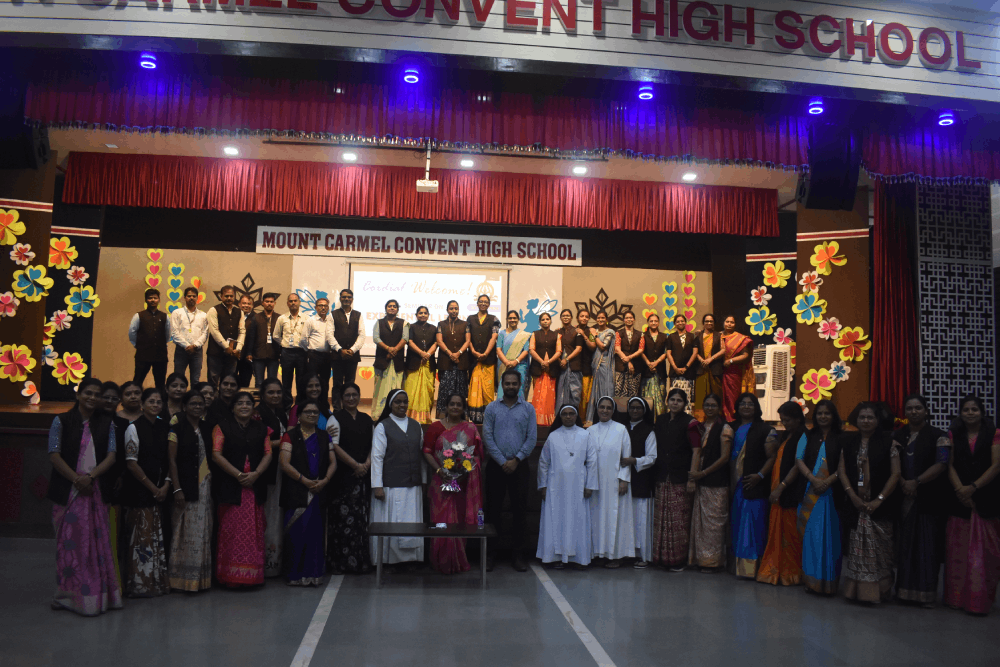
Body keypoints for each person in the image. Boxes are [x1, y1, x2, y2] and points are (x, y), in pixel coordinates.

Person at [47, 378, 123, 616]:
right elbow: (54, 455)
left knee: (97, 545)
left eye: (97, 394)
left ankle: (97, 597)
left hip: (95, 491)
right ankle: (67, 596)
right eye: (88, 393)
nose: (92, 398)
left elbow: (111, 456)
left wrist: (90, 478)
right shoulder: (61, 421)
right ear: (78, 395)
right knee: (71, 545)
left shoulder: (107, 423)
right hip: (68, 492)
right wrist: (77, 480)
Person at [838, 402, 901, 604]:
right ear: (856, 420)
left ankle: (880, 592)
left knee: (881, 553)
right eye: (862, 417)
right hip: (856, 506)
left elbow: (896, 474)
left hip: (881, 508)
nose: (866, 421)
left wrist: (879, 500)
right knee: (856, 552)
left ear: (878, 420)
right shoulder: (848, 442)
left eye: (870, 417)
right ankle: (856, 592)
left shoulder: (889, 443)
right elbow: (842, 472)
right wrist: (853, 497)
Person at [944, 395, 1000, 614]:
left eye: (974, 409)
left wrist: (973, 488)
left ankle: (979, 602)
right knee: (957, 553)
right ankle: (956, 599)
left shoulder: (994, 434)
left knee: (985, 555)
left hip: (986, 498)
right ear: (960, 413)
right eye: (966, 410)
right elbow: (948, 464)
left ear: (982, 412)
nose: (970, 413)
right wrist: (960, 489)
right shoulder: (953, 434)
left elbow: (996, 466)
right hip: (959, 500)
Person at [894, 394, 950, 607]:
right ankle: (903, 592)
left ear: (926, 411)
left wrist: (916, 482)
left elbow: (942, 464)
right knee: (905, 546)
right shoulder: (898, 436)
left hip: (929, 498)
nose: (914, 412)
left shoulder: (939, 436)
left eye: (918, 408)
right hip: (903, 497)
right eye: (910, 408)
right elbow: (892, 463)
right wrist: (902, 482)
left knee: (928, 547)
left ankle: (926, 595)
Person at [211, 391, 273, 587]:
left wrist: (256, 474)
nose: (244, 406)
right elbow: (216, 454)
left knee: (254, 531)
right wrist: (238, 475)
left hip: (254, 488)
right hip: (231, 488)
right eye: (240, 403)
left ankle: (252, 577)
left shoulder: (262, 429)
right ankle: (230, 577)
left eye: (248, 403)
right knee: (231, 532)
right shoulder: (221, 427)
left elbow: (268, 453)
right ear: (233, 408)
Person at [482, 370, 538, 571]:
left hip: (520, 466)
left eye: (514, 383)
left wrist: (516, 460)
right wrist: (501, 460)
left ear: (520, 385)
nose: (511, 387)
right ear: (502, 384)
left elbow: (532, 438)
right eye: (508, 383)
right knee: (493, 511)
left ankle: (518, 555)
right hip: (496, 466)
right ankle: (490, 554)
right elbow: (487, 436)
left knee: (519, 512)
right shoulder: (491, 408)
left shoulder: (528, 409)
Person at [423, 393, 484, 574]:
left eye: (459, 404)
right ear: (446, 406)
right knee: (440, 520)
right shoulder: (435, 427)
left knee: (458, 520)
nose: (455, 407)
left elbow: (476, 454)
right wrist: (440, 471)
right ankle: (439, 560)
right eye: (452, 404)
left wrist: (463, 471)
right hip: (440, 481)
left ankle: (457, 560)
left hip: (462, 483)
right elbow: (426, 451)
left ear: (463, 408)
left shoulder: (470, 428)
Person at [279, 398, 337, 586]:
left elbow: (333, 462)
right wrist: (304, 480)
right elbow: (284, 463)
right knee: (297, 533)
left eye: (315, 412)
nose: (312, 415)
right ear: (298, 415)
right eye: (308, 412)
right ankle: (295, 575)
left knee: (315, 534)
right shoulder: (290, 436)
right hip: (297, 491)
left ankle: (313, 574)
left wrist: (325, 480)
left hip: (319, 491)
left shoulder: (324, 436)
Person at [121, 387, 170, 597]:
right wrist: (152, 487)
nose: (155, 405)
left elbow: (171, 459)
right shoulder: (133, 428)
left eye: (159, 402)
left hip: (162, 490)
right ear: (142, 404)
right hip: (139, 490)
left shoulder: (166, 427)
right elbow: (131, 463)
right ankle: (139, 584)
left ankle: (156, 581)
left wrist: (166, 485)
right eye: (151, 401)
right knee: (140, 539)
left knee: (156, 537)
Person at [537, 405, 598, 569]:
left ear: (576, 416)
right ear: (560, 417)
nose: (568, 416)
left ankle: (579, 558)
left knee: (578, 520)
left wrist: (590, 485)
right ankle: (555, 557)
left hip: (579, 485)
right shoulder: (553, 436)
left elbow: (592, 462)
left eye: (571, 414)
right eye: (565, 414)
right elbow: (543, 462)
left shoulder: (585, 435)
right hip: (555, 486)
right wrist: (543, 486)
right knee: (556, 520)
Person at [370, 389, 425, 566]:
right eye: (398, 402)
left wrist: (423, 481)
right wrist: (377, 486)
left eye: (405, 402)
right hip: (391, 486)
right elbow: (377, 457)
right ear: (390, 404)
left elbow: (421, 456)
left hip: (413, 486)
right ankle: (390, 562)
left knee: (411, 522)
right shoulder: (382, 426)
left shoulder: (416, 425)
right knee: (394, 524)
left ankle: (411, 560)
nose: (402, 405)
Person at [757, 401, 807, 586]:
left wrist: (781, 487)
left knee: (791, 535)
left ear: (797, 419)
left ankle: (790, 574)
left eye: (787, 420)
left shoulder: (803, 436)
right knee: (779, 533)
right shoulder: (788, 434)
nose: (784, 423)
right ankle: (776, 571)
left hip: (790, 492)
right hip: (779, 491)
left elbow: (797, 465)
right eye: (782, 420)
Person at [795, 399, 843, 595]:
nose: (823, 416)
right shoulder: (808, 435)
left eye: (827, 413)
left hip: (831, 495)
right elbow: (799, 460)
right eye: (820, 413)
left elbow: (844, 465)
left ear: (833, 416)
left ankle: (829, 583)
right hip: (810, 490)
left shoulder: (841, 437)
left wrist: (827, 481)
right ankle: (811, 581)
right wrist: (813, 479)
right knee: (812, 538)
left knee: (830, 539)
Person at [166, 390, 213, 592]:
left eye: (200, 404)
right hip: (185, 487)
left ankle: (201, 579)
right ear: (184, 407)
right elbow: (171, 461)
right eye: (193, 403)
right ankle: (181, 580)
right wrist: (177, 489)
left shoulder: (208, 428)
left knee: (204, 531)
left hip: (206, 487)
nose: (197, 407)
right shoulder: (176, 429)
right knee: (183, 532)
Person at [729, 392, 778, 579]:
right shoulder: (731, 428)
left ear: (756, 407)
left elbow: (772, 457)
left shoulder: (765, 430)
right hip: (734, 486)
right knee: (736, 525)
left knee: (753, 526)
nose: (746, 407)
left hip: (754, 486)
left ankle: (751, 569)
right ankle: (735, 567)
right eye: (743, 403)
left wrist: (760, 475)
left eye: (750, 404)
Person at [652, 388, 701, 571]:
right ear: (667, 401)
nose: (675, 403)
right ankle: (661, 558)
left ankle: (677, 560)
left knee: (678, 521)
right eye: (672, 399)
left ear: (685, 403)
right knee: (661, 519)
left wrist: (692, 478)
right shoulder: (661, 420)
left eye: (679, 400)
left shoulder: (691, 423)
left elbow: (697, 451)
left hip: (680, 478)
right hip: (662, 476)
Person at [329, 383, 374, 574]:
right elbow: (334, 446)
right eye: (347, 395)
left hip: (363, 477)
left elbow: (373, 445)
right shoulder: (334, 418)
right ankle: (341, 564)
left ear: (359, 396)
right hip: (343, 477)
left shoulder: (367, 419)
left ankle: (360, 563)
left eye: (354, 394)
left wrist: (366, 465)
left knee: (361, 520)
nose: (351, 398)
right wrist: (355, 465)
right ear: (341, 398)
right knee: (342, 521)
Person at [587, 396, 634, 567]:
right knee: (596, 518)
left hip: (615, 482)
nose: (605, 410)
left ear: (613, 411)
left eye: (608, 408)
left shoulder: (621, 430)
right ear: (597, 409)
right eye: (602, 407)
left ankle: (615, 556)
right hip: (595, 483)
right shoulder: (589, 431)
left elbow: (626, 456)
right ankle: (597, 553)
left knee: (615, 518)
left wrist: (624, 480)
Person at [688, 393, 730, 572]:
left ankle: (713, 562)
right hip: (701, 482)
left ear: (719, 408)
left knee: (714, 524)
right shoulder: (701, 427)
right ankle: (701, 560)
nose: (710, 408)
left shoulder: (725, 428)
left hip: (717, 482)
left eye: (713, 405)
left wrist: (703, 473)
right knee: (701, 524)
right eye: (707, 405)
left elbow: (724, 457)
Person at [254, 377, 288, 578]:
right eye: (271, 392)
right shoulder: (258, 414)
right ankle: (264, 564)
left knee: (277, 516)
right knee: (267, 516)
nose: (275, 396)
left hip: (281, 470)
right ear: (263, 394)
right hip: (266, 471)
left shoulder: (281, 413)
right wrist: (285, 441)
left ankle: (276, 563)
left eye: (278, 392)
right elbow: (258, 442)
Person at [620, 397, 657, 568]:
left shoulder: (649, 431)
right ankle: (626, 553)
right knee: (626, 519)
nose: (635, 411)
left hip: (641, 479)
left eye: (638, 408)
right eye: (632, 408)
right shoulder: (622, 428)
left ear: (644, 411)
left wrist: (634, 460)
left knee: (640, 519)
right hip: (623, 480)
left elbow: (652, 457)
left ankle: (642, 555)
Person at [466, 294, 501, 424]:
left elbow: (494, 337)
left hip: (489, 360)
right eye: (481, 301)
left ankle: (489, 418)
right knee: (474, 389)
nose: (483, 303)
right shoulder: (470, 319)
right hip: (473, 360)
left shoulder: (494, 319)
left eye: (486, 302)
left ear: (489, 304)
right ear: (477, 303)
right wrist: (473, 351)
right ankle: (475, 418)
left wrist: (486, 353)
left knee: (488, 390)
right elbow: (467, 338)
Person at [372, 299, 409, 418]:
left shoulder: (404, 323)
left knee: (396, 389)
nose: (392, 308)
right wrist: (388, 349)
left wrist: (395, 350)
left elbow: (405, 338)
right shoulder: (379, 323)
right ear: (386, 308)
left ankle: (396, 415)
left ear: (397, 309)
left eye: (394, 306)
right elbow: (376, 338)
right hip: (382, 361)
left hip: (397, 363)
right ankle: (378, 416)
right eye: (389, 306)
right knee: (380, 390)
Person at [129, 287, 171, 388]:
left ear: (159, 300)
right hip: (143, 355)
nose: (153, 300)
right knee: (137, 381)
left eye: (155, 298)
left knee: (160, 384)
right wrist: (138, 345)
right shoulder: (138, 316)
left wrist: (161, 344)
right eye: (150, 298)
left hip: (160, 356)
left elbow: (168, 334)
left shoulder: (165, 316)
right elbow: (132, 333)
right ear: (146, 300)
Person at [206, 285, 246, 389]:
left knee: (229, 382)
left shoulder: (239, 311)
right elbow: (214, 331)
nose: (229, 298)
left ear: (234, 297)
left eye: (231, 296)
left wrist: (238, 349)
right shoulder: (213, 310)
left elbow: (242, 332)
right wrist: (226, 347)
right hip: (215, 354)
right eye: (226, 296)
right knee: (213, 381)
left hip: (232, 354)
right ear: (221, 296)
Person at [436, 300, 470, 419]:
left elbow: (467, 341)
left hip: (461, 363)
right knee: (445, 390)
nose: (454, 311)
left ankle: (461, 417)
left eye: (456, 308)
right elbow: (439, 341)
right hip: (446, 362)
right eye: (451, 308)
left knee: (460, 390)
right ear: (447, 310)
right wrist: (451, 354)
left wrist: (458, 353)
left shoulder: (465, 324)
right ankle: (443, 417)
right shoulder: (441, 324)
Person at [404, 305, 438, 424]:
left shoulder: (434, 328)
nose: (423, 315)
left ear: (428, 315)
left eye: (425, 313)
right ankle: (410, 418)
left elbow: (436, 343)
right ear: (416, 315)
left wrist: (428, 354)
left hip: (429, 364)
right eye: (420, 313)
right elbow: (409, 341)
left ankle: (425, 418)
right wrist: (421, 353)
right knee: (411, 390)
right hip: (414, 363)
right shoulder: (411, 327)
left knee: (428, 391)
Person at [169, 286, 208, 383]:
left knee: (195, 379)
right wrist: (187, 346)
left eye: (194, 296)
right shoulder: (177, 313)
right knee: (178, 378)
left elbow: (205, 333)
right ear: (185, 298)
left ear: (197, 298)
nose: (191, 298)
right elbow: (174, 333)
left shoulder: (203, 315)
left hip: (197, 351)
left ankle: (194, 394)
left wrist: (195, 346)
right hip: (181, 350)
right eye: (189, 296)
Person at [274, 293, 307, 407]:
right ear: (287, 303)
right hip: (287, 352)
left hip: (301, 352)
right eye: (291, 301)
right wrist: (284, 343)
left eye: (295, 301)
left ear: (299, 302)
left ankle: (299, 406)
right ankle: (287, 406)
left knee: (301, 381)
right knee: (286, 381)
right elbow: (276, 336)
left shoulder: (306, 318)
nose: (293, 303)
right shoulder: (282, 318)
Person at [720, 316, 754, 422]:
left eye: (732, 322)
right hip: (718, 373)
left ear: (735, 324)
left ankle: (733, 420)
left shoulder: (740, 338)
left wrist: (731, 361)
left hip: (733, 373)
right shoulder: (718, 336)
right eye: (727, 321)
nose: (729, 324)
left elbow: (745, 355)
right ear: (723, 323)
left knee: (732, 398)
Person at [330, 288, 365, 390]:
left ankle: (348, 401)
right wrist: (340, 350)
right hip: (337, 355)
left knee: (350, 384)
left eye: (349, 297)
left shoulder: (358, 315)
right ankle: (337, 402)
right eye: (344, 297)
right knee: (337, 384)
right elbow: (329, 335)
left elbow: (362, 335)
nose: (346, 299)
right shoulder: (332, 314)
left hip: (352, 355)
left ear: (352, 299)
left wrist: (352, 350)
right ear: (340, 299)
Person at [530, 312, 561, 427]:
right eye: (543, 319)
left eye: (547, 319)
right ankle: (536, 421)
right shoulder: (535, 334)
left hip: (551, 369)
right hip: (538, 369)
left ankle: (549, 422)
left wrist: (549, 362)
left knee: (550, 397)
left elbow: (559, 351)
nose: (545, 321)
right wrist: (541, 362)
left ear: (551, 321)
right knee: (537, 396)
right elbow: (531, 349)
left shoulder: (556, 335)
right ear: (540, 322)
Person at [300, 296, 333, 400]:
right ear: (315, 308)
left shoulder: (331, 321)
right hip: (313, 355)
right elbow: (303, 339)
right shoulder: (310, 321)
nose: (323, 308)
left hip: (327, 356)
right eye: (320, 305)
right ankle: (311, 403)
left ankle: (324, 404)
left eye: (325, 306)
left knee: (325, 382)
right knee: (312, 381)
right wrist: (309, 351)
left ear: (328, 308)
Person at [692, 314, 724, 421]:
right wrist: (701, 359)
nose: (709, 323)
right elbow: (694, 351)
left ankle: (717, 421)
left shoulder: (719, 335)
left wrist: (711, 359)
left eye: (711, 321)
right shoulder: (698, 335)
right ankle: (700, 421)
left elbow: (723, 350)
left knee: (716, 395)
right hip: (701, 369)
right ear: (703, 323)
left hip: (715, 369)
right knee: (700, 397)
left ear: (714, 323)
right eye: (707, 321)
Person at [586, 312, 615, 424]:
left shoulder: (610, 332)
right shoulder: (594, 331)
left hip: (605, 365)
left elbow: (603, 346)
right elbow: (592, 347)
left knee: (605, 390)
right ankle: (593, 418)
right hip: (596, 364)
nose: (600, 319)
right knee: (596, 390)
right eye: (598, 318)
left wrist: (595, 335)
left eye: (603, 318)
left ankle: (607, 418)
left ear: (606, 319)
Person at [496, 310, 531, 400]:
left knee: (519, 389)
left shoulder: (524, 335)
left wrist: (516, 361)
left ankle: (519, 408)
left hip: (519, 365)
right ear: (507, 320)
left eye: (514, 318)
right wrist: (506, 362)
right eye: (510, 318)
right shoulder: (502, 333)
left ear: (518, 319)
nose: (512, 320)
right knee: (503, 389)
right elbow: (498, 349)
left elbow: (526, 351)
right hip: (504, 365)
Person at [555, 308, 584, 413]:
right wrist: (560, 360)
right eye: (563, 316)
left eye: (568, 315)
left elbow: (579, 349)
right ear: (560, 318)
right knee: (561, 394)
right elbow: (554, 349)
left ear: (571, 318)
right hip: (561, 368)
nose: (565, 317)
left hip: (574, 367)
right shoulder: (557, 332)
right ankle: (561, 416)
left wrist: (566, 359)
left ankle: (574, 415)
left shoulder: (577, 331)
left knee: (575, 394)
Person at [666, 314, 696, 415]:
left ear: (685, 322)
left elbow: (695, 353)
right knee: (674, 398)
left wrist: (686, 367)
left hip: (688, 372)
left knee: (687, 398)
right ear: (675, 324)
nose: (680, 323)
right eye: (678, 321)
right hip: (675, 373)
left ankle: (686, 418)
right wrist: (675, 368)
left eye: (682, 321)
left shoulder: (692, 336)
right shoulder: (671, 337)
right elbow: (668, 353)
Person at [250, 292, 281, 388]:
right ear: (262, 303)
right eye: (267, 301)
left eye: (271, 302)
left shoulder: (279, 318)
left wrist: (281, 353)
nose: (269, 304)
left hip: (274, 355)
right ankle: (260, 398)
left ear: (275, 303)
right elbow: (251, 337)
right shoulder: (256, 317)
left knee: (272, 382)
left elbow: (282, 337)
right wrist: (249, 353)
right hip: (258, 355)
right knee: (259, 383)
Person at [640, 313, 668, 418]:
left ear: (659, 323)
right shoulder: (643, 336)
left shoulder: (664, 336)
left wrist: (656, 362)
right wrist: (648, 363)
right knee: (646, 397)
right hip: (646, 371)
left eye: (656, 321)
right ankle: (647, 420)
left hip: (660, 371)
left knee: (661, 396)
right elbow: (641, 351)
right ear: (648, 323)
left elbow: (666, 352)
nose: (653, 323)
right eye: (651, 321)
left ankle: (660, 420)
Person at [614, 312, 644, 400]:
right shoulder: (618, 333)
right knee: (618, 391)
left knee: (634, 392)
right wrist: (627, 361)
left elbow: (641, 350)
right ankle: (619, 408)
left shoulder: (640, 334)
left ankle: (632, 408)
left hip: (636, 366)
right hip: (621, 366)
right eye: (627, 318)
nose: (629, 319)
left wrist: (629, 358)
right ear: (624, 320)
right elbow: (617, 349)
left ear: (634, 319)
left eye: (631, 318)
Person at [576, 310, 597, 415]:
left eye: (586, 316)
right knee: (575, 395)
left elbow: (593, 346)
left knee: (585, 396)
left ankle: (583, 418)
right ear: (577, 318)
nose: (584, 318)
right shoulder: (573, 330)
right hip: (574, 367)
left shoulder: (591, 331)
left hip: (586, 367)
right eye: (582, 316)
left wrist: (584, 335)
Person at [236, 294, 258, 388]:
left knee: (245, 383)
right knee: (230, 381)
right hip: (233, 354)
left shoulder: (256, 318)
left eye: (249, 304)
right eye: (244, 303)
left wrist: (251, 354)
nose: (246, 305)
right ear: (239, 304)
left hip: (248, 356)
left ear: (252, 306)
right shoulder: (234, 315)